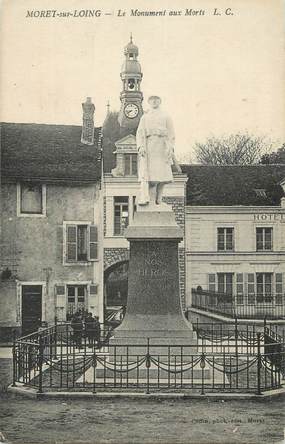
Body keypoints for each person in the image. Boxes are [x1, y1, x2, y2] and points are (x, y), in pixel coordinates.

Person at [136, 95, 181, 206]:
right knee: (151, 176)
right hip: (150, 147)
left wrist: (170, 147)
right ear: (149, 102)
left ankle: (159, 199)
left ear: (160, 101)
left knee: (162, 176)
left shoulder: (166, 116)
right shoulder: (145, 117)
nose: (154, 101)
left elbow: (171, 133)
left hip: (162, 148)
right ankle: (150, 200)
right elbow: (140, 133)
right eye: (152, 100)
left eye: (156, 100)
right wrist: (140, 147)